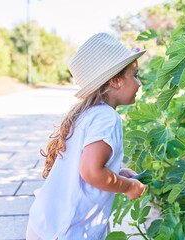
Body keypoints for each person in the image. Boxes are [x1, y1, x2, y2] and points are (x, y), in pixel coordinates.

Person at [26, 32, 147, 239]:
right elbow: (91, 172)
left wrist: (117, 172)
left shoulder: (88, 113)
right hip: (70, 230)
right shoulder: (107, 118)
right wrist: (127, 187)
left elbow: (87, 165)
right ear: (116, 81)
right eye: (134, 75)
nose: (139, 83)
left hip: (47, 222)